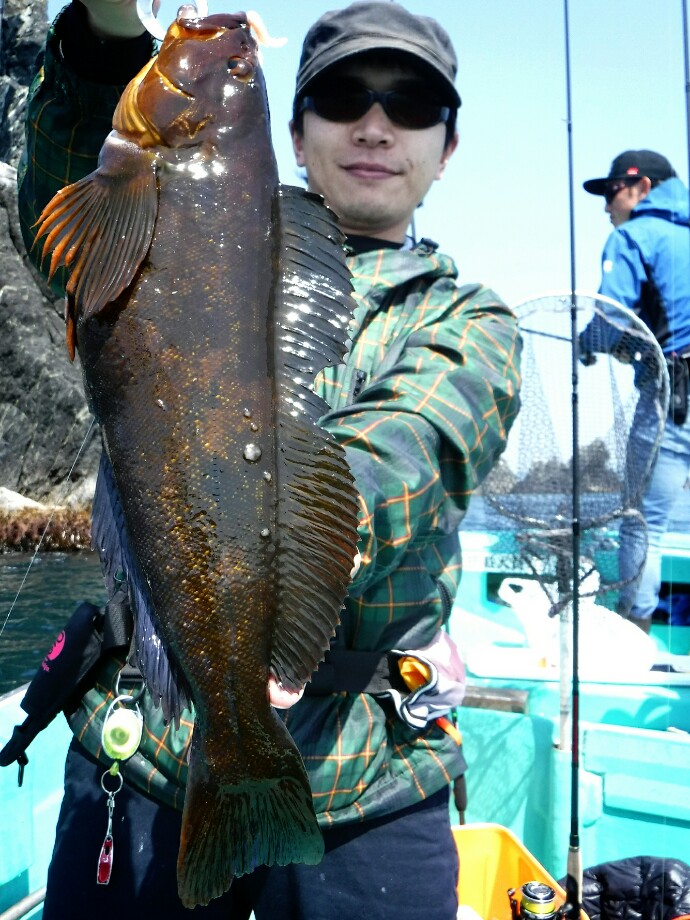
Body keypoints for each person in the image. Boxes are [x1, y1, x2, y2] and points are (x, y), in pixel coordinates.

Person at [16, 2, 521, 918]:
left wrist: (293, 567)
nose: (375, 125)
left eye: (411, 105)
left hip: (369, 779)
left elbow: (415, 447)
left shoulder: (469, 319)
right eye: (344, 96)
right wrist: (105, 31)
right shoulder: (149, 195)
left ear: (448, 147)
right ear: (293, 131)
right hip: (145, 746)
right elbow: (63, 221)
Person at [580, 150, 690, 633]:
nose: (607, 206)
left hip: (676, 400)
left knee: (642, 522)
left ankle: (635, 637)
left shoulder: (631, 236)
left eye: (612, 192)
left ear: (642, 187)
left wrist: (588, 343)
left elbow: (609, 322)